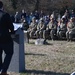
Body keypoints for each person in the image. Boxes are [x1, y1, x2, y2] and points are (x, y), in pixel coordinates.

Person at [0, 1, 14, 75]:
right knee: (9, 53)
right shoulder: (5, 15)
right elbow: (11, 27)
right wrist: (12, 32)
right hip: (5, 38)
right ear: (2, 7)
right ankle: (4, 71)